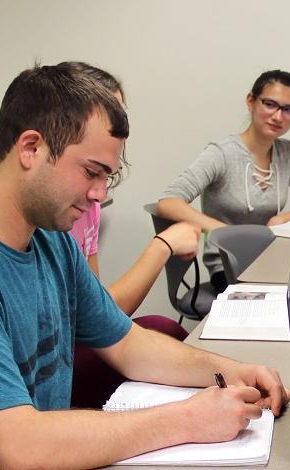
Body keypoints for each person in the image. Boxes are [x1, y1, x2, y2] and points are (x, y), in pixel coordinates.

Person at [0, 64, 290, 469]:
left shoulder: (49, 238)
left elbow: (127, 344)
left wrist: (230, 370)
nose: (99, 194)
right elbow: (22, 448)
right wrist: (190, 418)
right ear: (31, 147)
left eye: (107, 178)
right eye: (91, 172)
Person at [54, 61, 191, 409]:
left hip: (78, 339)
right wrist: (162, 247)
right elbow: (100, 317)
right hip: (57, 357)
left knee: (164, 332)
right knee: (162, 332)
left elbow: (95, 308)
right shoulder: (51, 214)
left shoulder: (88, 205)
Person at [157, 70, 290, 291]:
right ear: (251, 101)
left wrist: (284, 218)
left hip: (270, 262)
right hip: (229, 268)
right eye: (270, 104)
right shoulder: (222, 153)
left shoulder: (288, 153)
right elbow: (168, 202)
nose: (278, 116)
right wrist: (225, 232)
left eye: (288, 110)